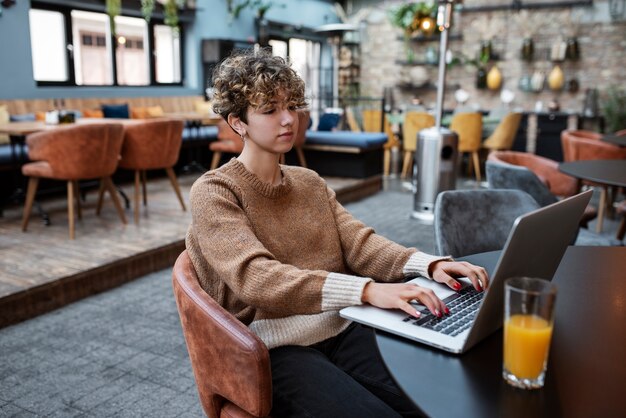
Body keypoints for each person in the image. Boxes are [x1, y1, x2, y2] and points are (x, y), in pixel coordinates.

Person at [186, 49, 489, 418]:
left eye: (291, 105)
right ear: (238, 122)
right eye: (269, 110)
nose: (288, 120)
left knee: (442, 397)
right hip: (273, 351)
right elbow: (256, 278)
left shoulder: (309, 182)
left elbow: (360, 244)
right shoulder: (215, 191)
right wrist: (367, 290)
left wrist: (429, 265)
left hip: (344, 325)